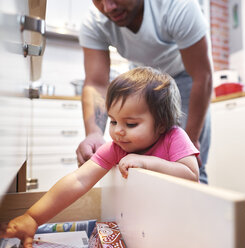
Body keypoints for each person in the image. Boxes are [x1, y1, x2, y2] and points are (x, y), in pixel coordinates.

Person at [2, 67, 200, 247]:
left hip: (181, 225)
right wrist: (33, 217)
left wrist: (147, 162)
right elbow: (79, 179)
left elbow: (191, 175)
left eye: (130, 124)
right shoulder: (116, 148)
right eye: (113, 121)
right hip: (147, 228)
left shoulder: (174, 137)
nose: (118, 131)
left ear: (162, 124)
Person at [76, 0, 213, 184]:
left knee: (190, 165)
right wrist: (93, 133)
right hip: (144, 84)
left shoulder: (178, 5)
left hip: (186, 77)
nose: (108, 7)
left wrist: (190, 139)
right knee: (138, 163)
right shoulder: (95, 21)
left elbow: (202, 76)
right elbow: (96, 83)